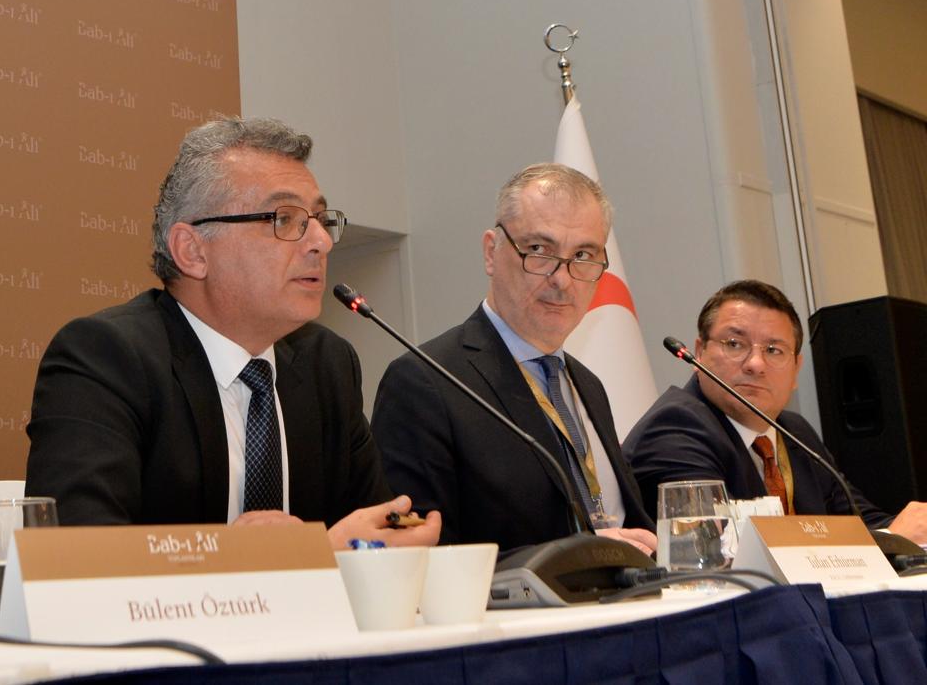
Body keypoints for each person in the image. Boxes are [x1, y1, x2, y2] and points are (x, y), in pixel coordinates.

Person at [25, 117, 440, 549]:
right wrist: (295, 554)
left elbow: (373, 526)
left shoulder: (327, 365)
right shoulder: (105, 358)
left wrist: (391, 545)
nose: (322, 241)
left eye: (320, 219)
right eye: (284, 218)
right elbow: (78, 555)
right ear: (193, 251)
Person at [372, 163, 656, 555]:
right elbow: (423, 559)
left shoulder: (588, 385)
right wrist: (577, 556)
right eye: (539, 250)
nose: (562, 279)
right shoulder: (425, 381)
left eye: (583, 255)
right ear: (491, 252)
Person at [623, 279, 927, 542]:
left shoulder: (795, 431)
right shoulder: (674, 429)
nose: (755, 364)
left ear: (795, 369)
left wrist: (911, 530)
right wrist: (891, 539)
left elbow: (860, 521)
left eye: (773, 350)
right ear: (699, 353)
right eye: (735, 344)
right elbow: (718, 549)